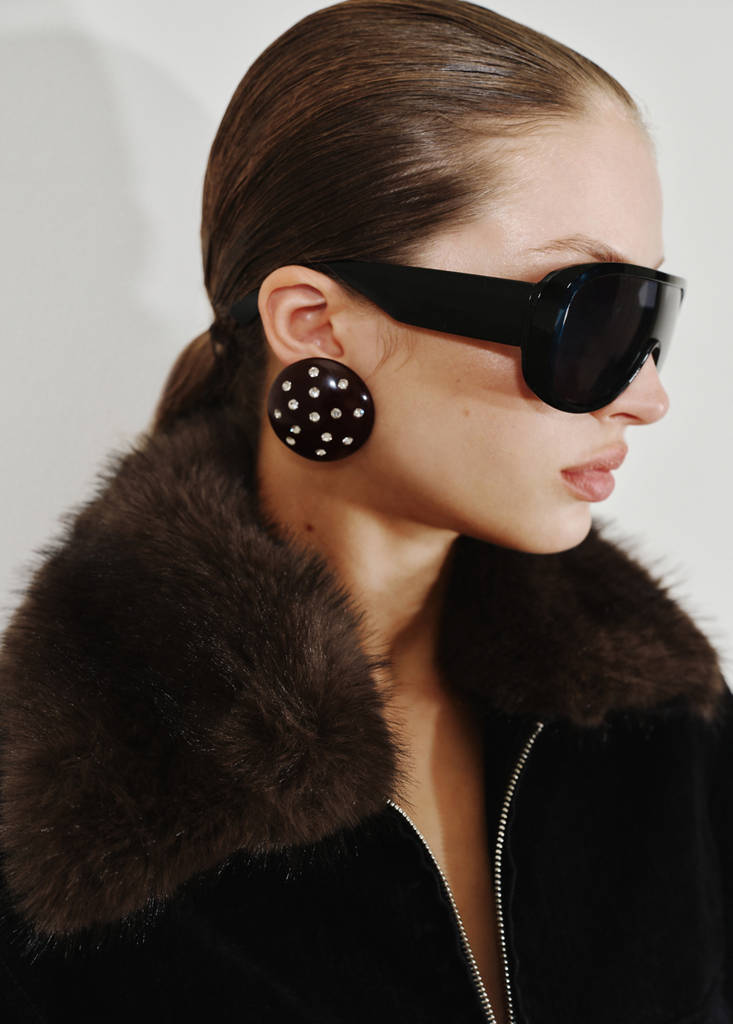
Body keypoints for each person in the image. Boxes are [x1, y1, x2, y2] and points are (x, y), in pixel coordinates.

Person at [0, 1, 730, 1021]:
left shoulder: (662, 723)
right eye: (588, 315)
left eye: (646, 315)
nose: (646, 397)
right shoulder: (56, 820)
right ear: (316, 324)